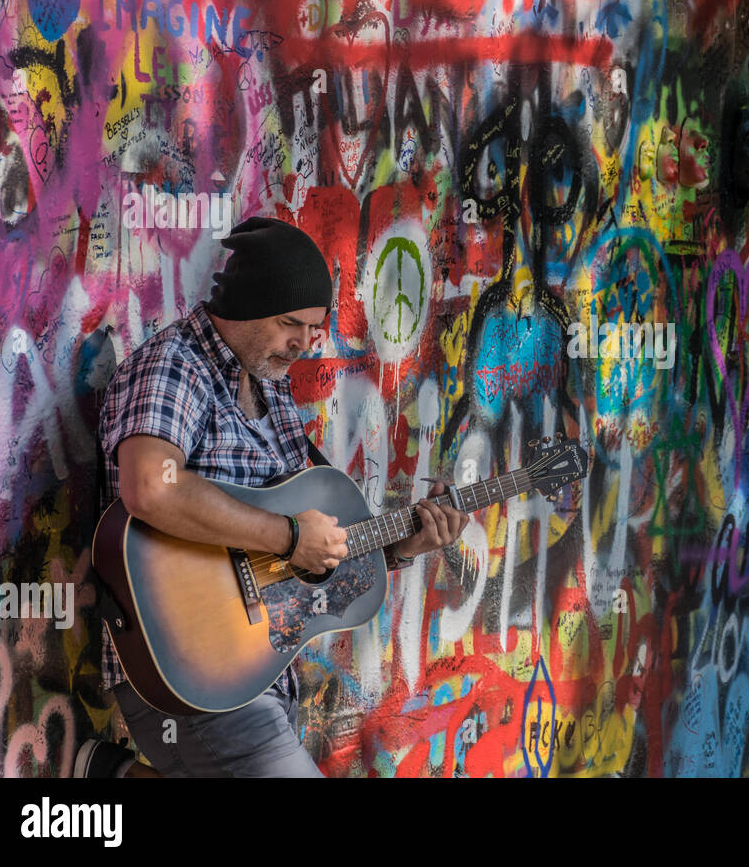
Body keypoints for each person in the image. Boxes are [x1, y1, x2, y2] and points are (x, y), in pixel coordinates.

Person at [74, 216, 468, 777]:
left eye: (313, 327)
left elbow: (304, 562)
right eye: (291, 323)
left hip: (260, 667)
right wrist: (288, 537)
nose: (304, 343)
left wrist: (400, 549)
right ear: (245, 308)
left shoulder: (270, 385)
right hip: (193, 671)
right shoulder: (174, 368)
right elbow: (148, 487)